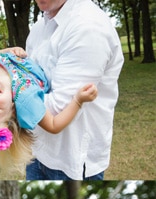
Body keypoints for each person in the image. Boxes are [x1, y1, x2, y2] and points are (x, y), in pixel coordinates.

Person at [25, 0, 124, 180]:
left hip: (70, 161)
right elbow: (31, 79)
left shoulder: (87, 26)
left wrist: (9, 86)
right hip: (37, 151)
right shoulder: (40, 27)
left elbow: (55, 111)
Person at [0, 47, 97, 174]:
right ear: (11, 112)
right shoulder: (25, 98)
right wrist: (78, 101)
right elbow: (54, 125)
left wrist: (9, 51)